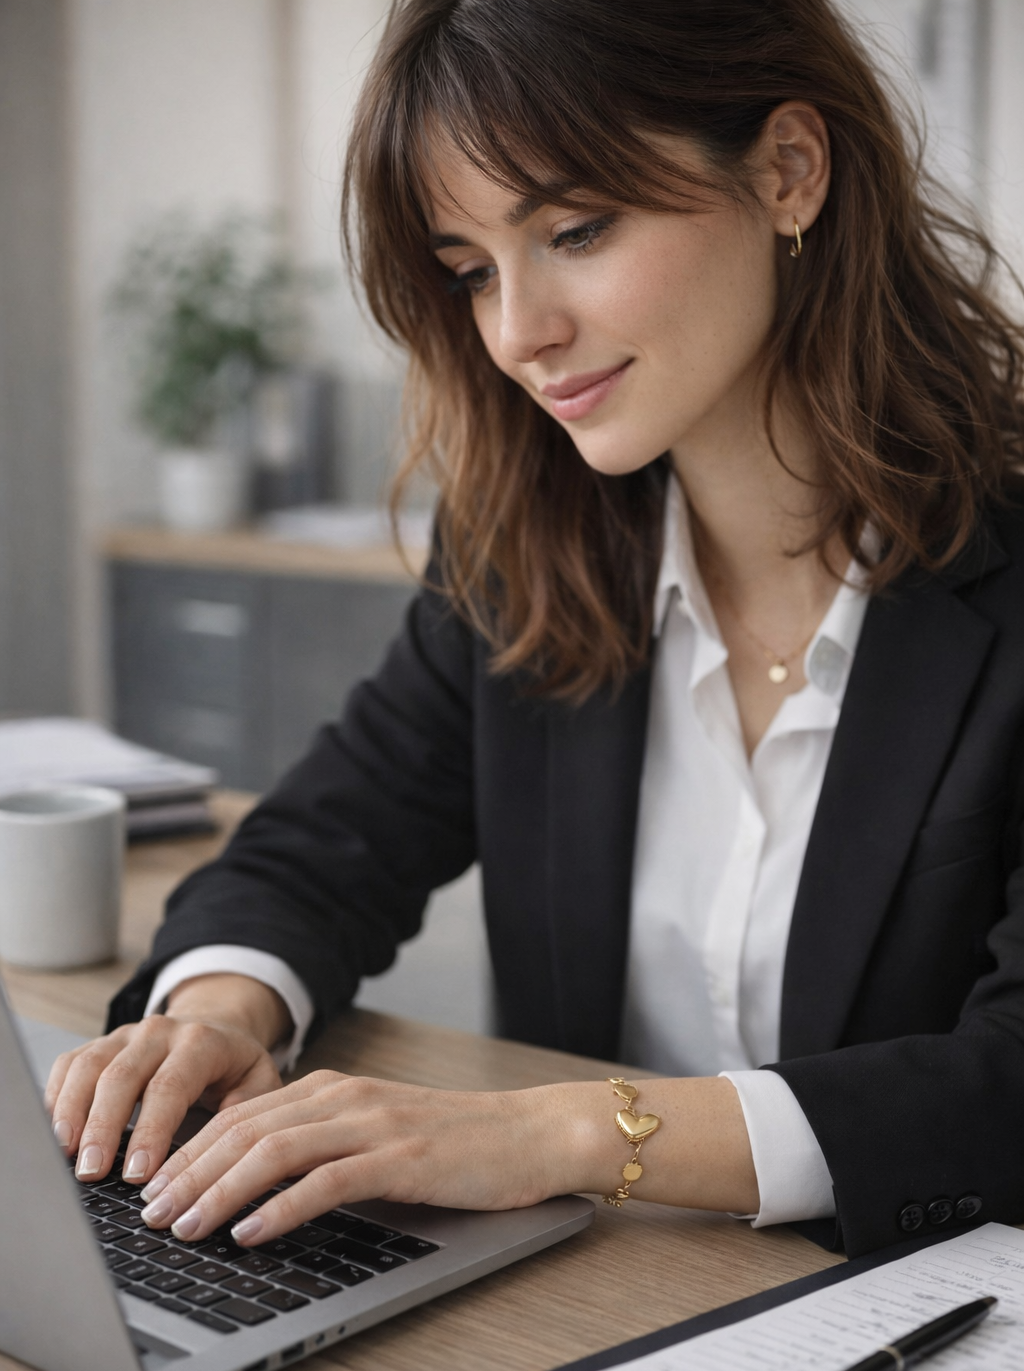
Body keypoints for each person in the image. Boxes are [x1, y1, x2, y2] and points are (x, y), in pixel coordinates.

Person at [47, 0, 1024, 1261]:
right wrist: (218, 1016)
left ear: (788, 170)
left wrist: (566, 1136)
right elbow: (319, 846)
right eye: (470, 271)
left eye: (574, 229)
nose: (517, 333)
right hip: (598, 1314)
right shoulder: (530, 556)